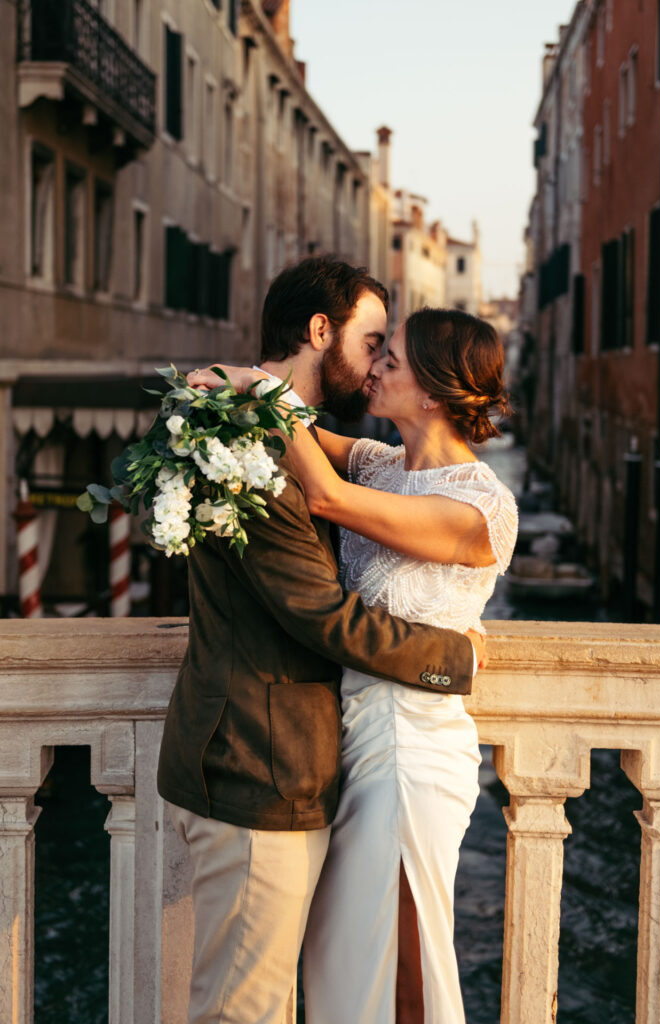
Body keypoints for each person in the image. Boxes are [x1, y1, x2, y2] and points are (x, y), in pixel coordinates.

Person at [157, 257, 485, 1024]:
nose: (374, 366)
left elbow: (322, 473)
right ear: (319, 332)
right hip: (259, 761)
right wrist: (456, 657)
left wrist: (246, 381)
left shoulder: (283, 438)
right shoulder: (259, 447)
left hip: (347, 763)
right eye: (374, 342)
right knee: (251, 1010)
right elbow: (321, 613)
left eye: (389, 356)